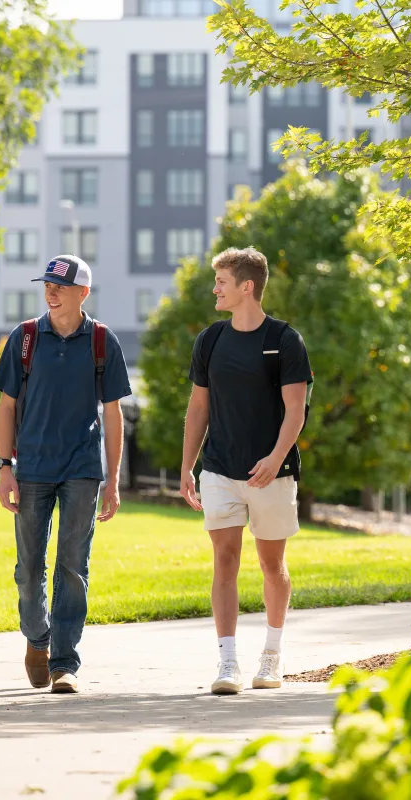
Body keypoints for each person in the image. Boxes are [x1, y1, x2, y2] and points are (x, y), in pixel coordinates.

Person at [0, 254, 130, 694]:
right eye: (47, 284)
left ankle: (64, 663)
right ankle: (37, 638)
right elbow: (7, 407)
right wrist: (4, 468)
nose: (50, 291)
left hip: (82, 470)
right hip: (31, 468)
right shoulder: (26, 338)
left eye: (59, 285)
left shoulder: (103, 342)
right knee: (28, 569)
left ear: (82, 292)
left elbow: (113, 414)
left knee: (73, 566)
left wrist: (114, 478)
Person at [179, 247, 312, 695]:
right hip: (219, 468)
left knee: (272, 564)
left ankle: (272, 656)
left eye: (221, 281)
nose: (214, 288)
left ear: (246, 287)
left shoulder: (285, 340)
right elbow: (198, 407)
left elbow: (296, 410)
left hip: (273, 472)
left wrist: (275, 459)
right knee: (225, 561)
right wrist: (187, 467)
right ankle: (228, 662)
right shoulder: (210, 340)